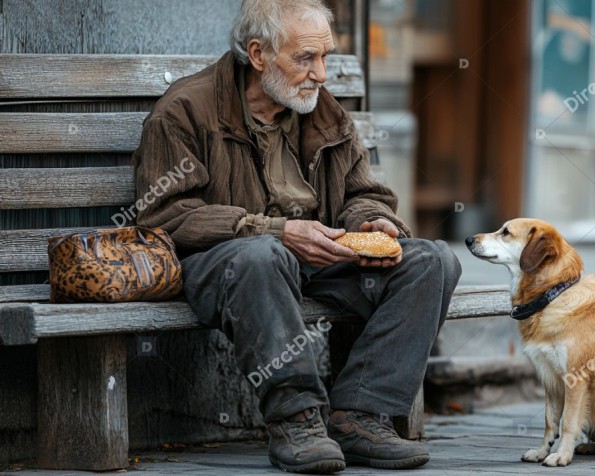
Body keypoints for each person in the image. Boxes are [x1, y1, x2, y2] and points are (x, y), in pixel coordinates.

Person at [131, 0, 461, 472]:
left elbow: (363, 193)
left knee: (432, 260)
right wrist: (272, 230)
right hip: (226, 263)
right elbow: (163, 215)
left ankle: (361, 417)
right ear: (258, 54)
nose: (321, 74)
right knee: (262, 256)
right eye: (306, 58)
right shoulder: (185, 111)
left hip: (319, 255)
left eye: (325, 57)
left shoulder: (321, 111)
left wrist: (373, 222)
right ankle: (297, 419)